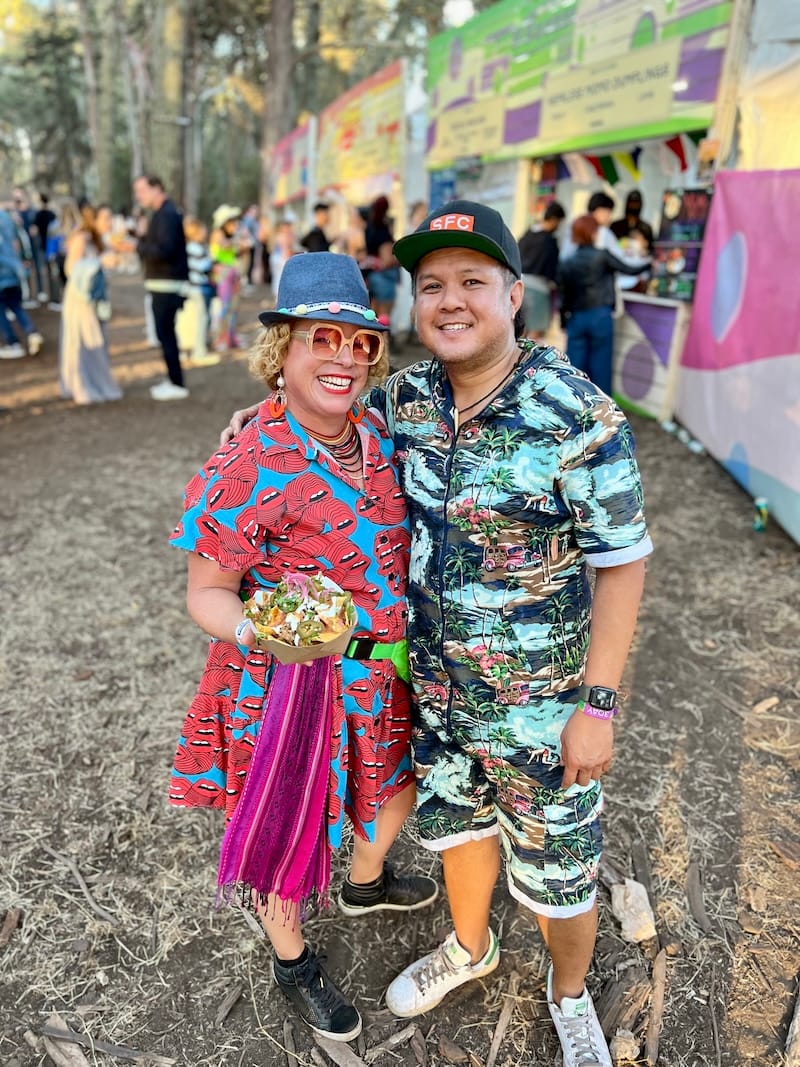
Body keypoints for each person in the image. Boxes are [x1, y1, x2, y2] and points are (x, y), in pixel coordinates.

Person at [222, 199, 653, 1067]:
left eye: (471, 282)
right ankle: (469, 946)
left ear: (513, 293)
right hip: (436, 696)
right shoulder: (405, 400)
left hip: (542, 711)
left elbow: (623, 562)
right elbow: (320, 414)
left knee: (560, 872)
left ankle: (569, 998)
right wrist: (250, 421)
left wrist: (598, 704)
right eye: (431, 286)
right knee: (458, 832)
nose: (450, 301)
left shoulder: (577, 412)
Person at [168, 251, 437, 1044]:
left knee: (393, 794)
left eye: (360, 344)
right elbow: (206, 592)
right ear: (282, 347)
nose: (346, 359)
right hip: (291, 689)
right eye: (323, 338)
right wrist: (265, 632)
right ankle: (292, 960)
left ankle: (365, 882)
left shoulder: (378, 432)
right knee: (288, 833)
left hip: (379, 680)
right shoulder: (250, 458)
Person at [557, 213, 650, 395]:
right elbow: (629, 269)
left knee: (574, 370)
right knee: (601, 368)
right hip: (600, 315)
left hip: (575, 318)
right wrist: (649, 263)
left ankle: (572, 410)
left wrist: (563, 320)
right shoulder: (602, 256)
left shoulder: (566, 263)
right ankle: (603, 416)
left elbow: (563, 296)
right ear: (593, 233)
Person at [133, 174, 190, 401]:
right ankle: (173, 379)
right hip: (162, 283)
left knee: (165, 333)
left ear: (157, 188)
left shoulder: (166, 214)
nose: (139, 196)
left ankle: (177, 382)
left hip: (167, 284)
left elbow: (164, 251)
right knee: (164, 333)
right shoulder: (162, 214)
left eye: (142, 190)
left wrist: (137, 246)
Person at [58, 200, 122, 404]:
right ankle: (80, 385)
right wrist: (99, 262)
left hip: (93, 300)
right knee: (81, 341)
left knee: (95, 340)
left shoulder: (98, 240)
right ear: (92, 219)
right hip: (79, 299)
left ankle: (94, 382)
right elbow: (71, 269)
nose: (109, 222)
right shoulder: (82, 238)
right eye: (105, 218)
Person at [0, 200, 44, 360]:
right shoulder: (7, 218)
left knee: (1, 311)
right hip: (14, 273)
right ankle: (32, 332)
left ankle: (13, 343)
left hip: (3, 275)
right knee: (16, 306)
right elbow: (18, 242)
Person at [517, 200, 566, 339]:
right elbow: (553, 270)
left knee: (521, 329)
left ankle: (519, 359)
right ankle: (530, 360)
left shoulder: (528, 233)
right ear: (555, 219)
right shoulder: (549, 240)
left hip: (521, 284)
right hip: (539, 288)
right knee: (536, 331)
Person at [176, 216, 219, 368]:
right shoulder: (194, 248)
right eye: (201, 229)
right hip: (197, 289)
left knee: (197, 319)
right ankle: (198, 351)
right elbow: (201, 266)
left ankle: (194, 348)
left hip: (196, 288)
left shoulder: (191, 247)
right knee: (200, 319)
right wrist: (213, 259)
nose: (204, 231)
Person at [209, 204, 245, 352]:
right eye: (231, 222)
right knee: (224, 308)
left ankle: (231, 337)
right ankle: (220, 338)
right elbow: (225, 247)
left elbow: (237, 251)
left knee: (234, 307)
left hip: (233, 273)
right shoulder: (217, 234)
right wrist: (238, 242)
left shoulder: (232, 236)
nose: (234, 225)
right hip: (223, 274)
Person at [363, 195, 400, 326]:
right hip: (384, 279)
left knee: (372, 319)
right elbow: (387, 261)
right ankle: (384, 346)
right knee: (383, 321)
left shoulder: (369, 229)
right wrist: (401, 257)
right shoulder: (383, 231)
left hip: (372, 278)